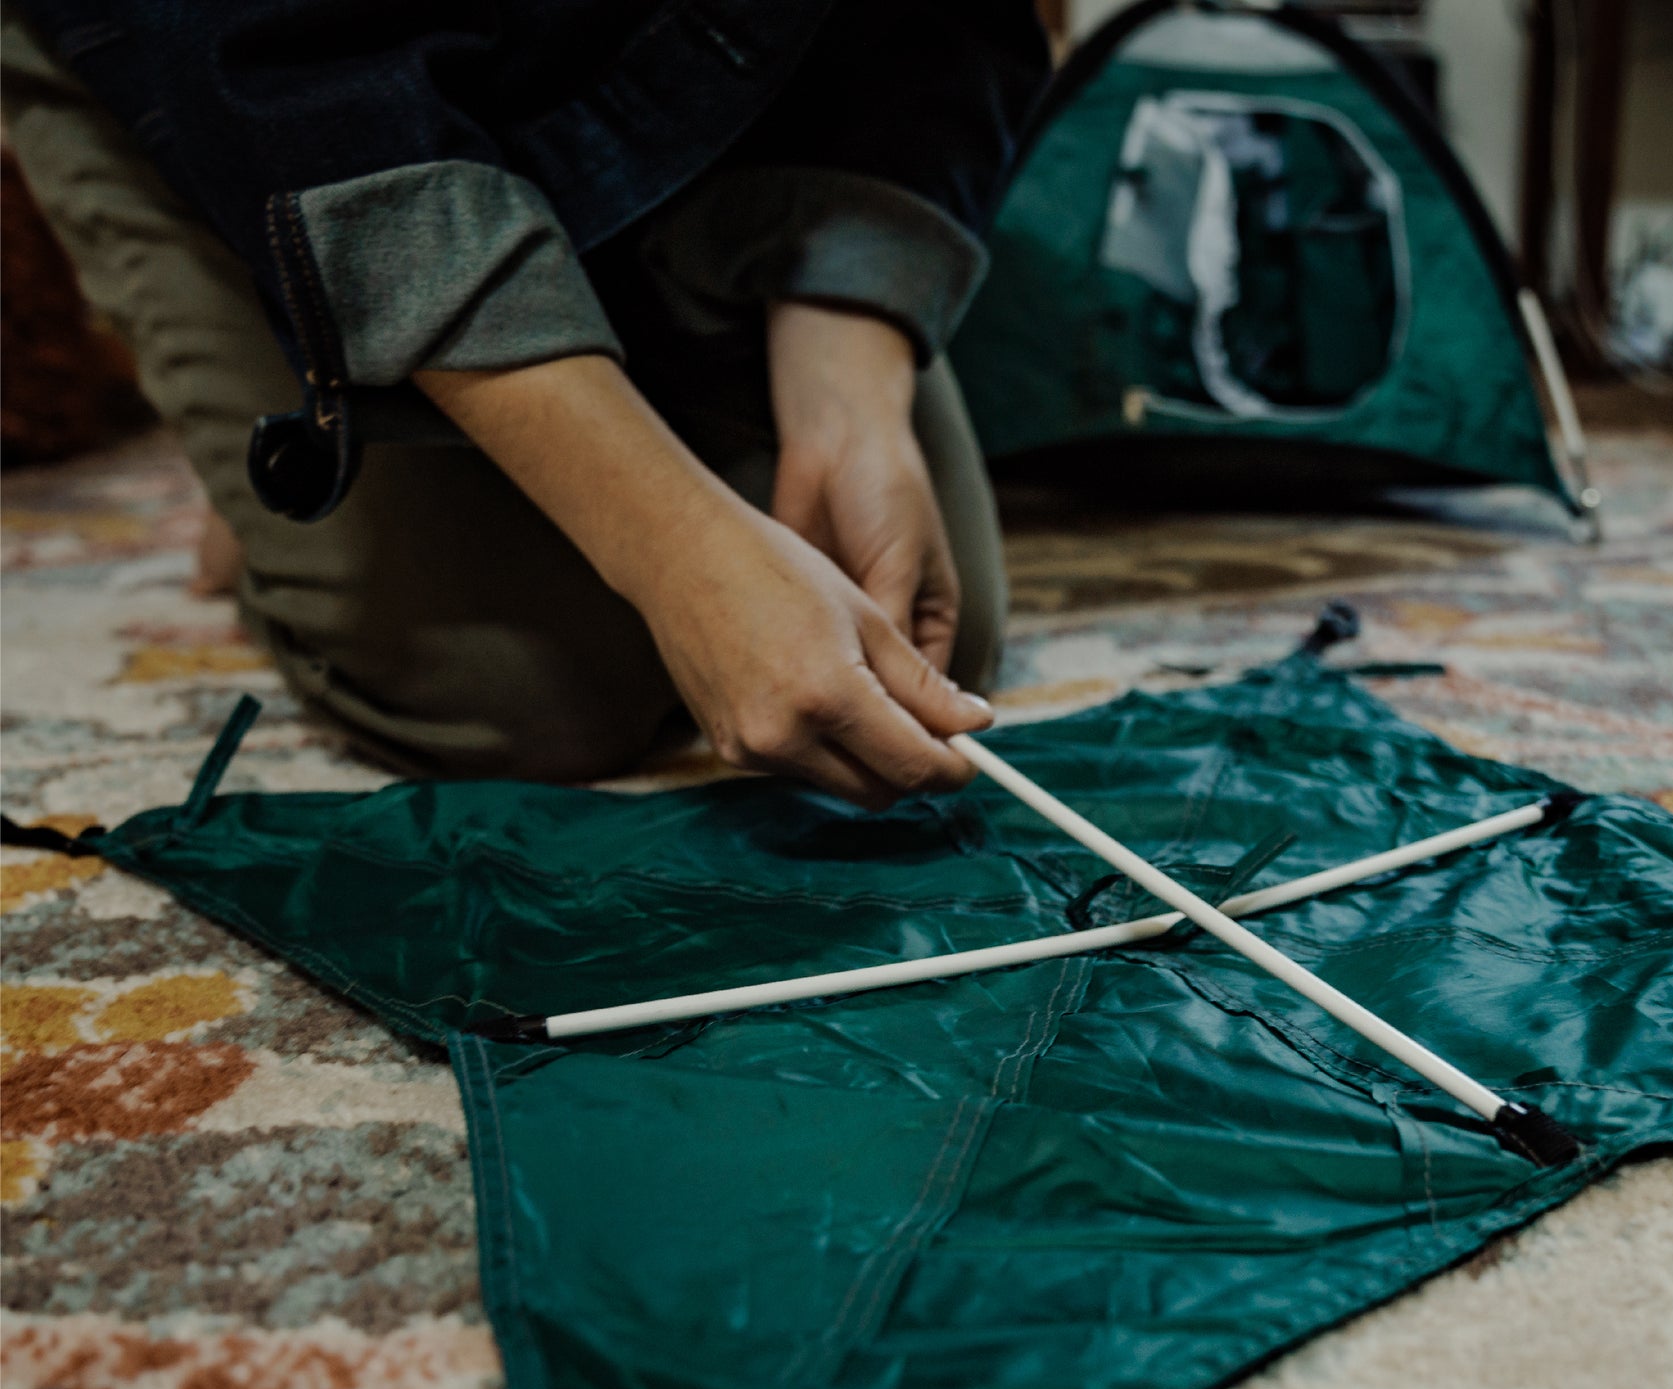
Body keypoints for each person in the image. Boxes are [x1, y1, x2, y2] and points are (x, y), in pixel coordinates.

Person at [1, 1, 1049, 800]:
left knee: (911, 638)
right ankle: (263, 417)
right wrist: (673, 546)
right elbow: (272, 67)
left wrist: (849, 384)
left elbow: (942, 28)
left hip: (682, 60)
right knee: (517, 703)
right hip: (232, 72)